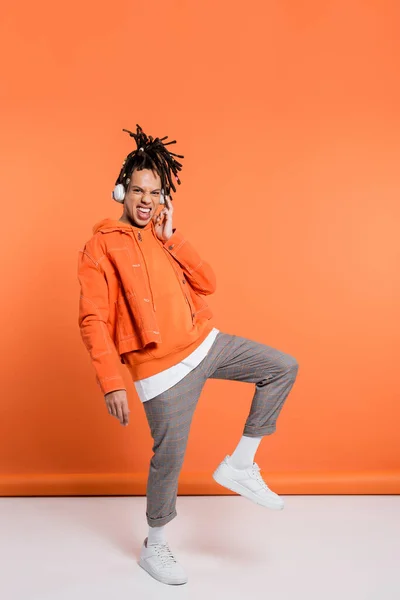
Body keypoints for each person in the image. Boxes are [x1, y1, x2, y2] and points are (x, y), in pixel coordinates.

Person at [77, 124, 299, 586]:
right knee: (169, 459)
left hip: (206, 344)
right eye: (137, 190)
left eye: (154, 192)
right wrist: (112, 381)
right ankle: (155, 544)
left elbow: (208, 283)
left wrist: (174, 237)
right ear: (121, 191)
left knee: (281, 367)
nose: (145, 200)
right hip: (160, 371)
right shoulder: (101, 246)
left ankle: (240, 464)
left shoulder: (164, 236)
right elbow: (93, 318)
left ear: (163, 197)